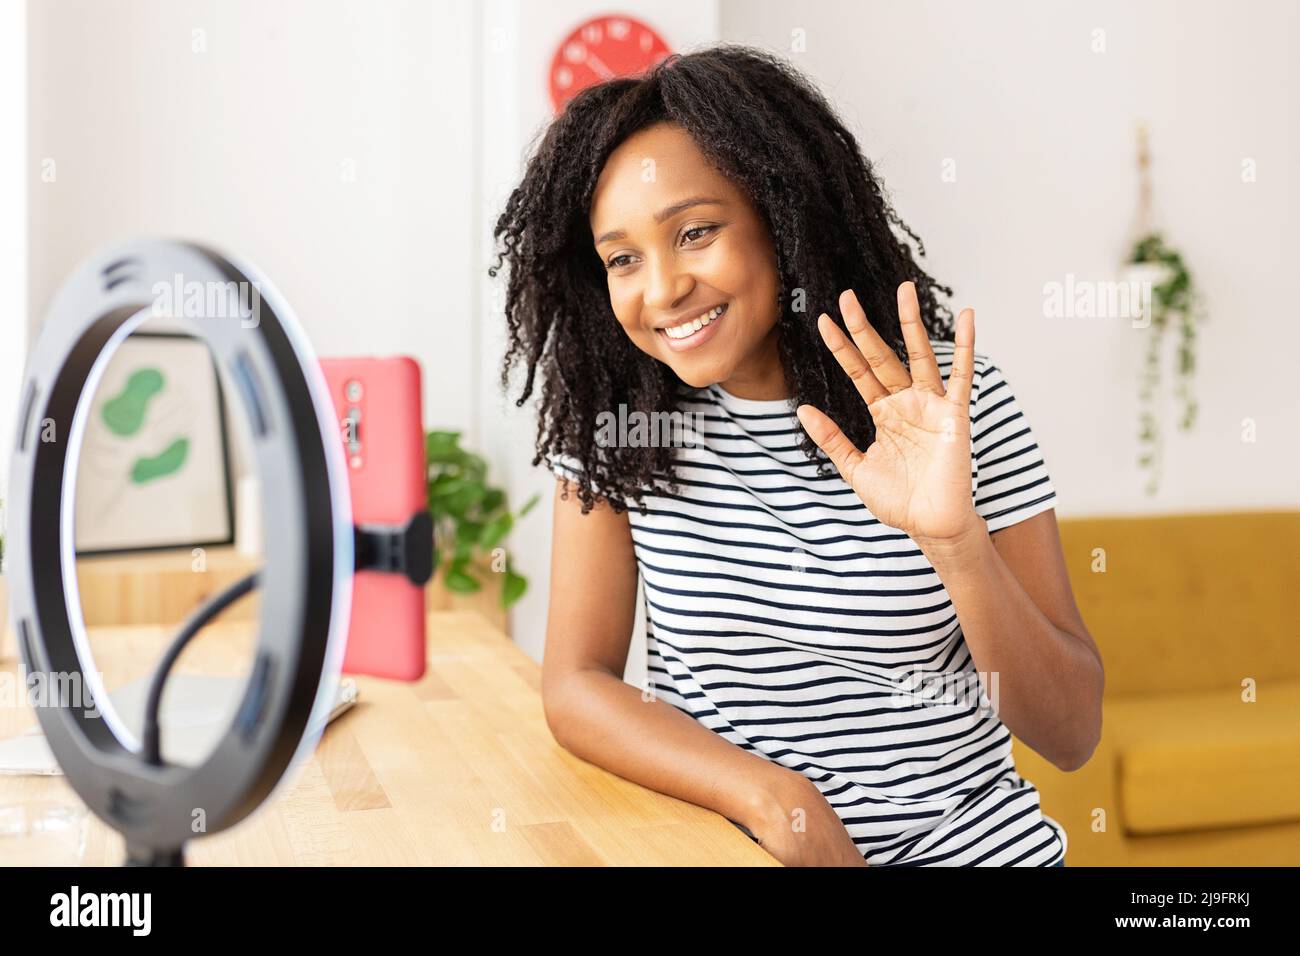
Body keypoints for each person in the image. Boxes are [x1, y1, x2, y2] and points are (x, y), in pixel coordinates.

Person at [492, 45, 1102, 866]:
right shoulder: (621, 426)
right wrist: (772, 797)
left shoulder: (951, 403)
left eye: (696, 232)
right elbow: (577, 685)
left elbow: (1070, 734)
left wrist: (957, 548)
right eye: (623, 259)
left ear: (782, 217)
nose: (663, 288)